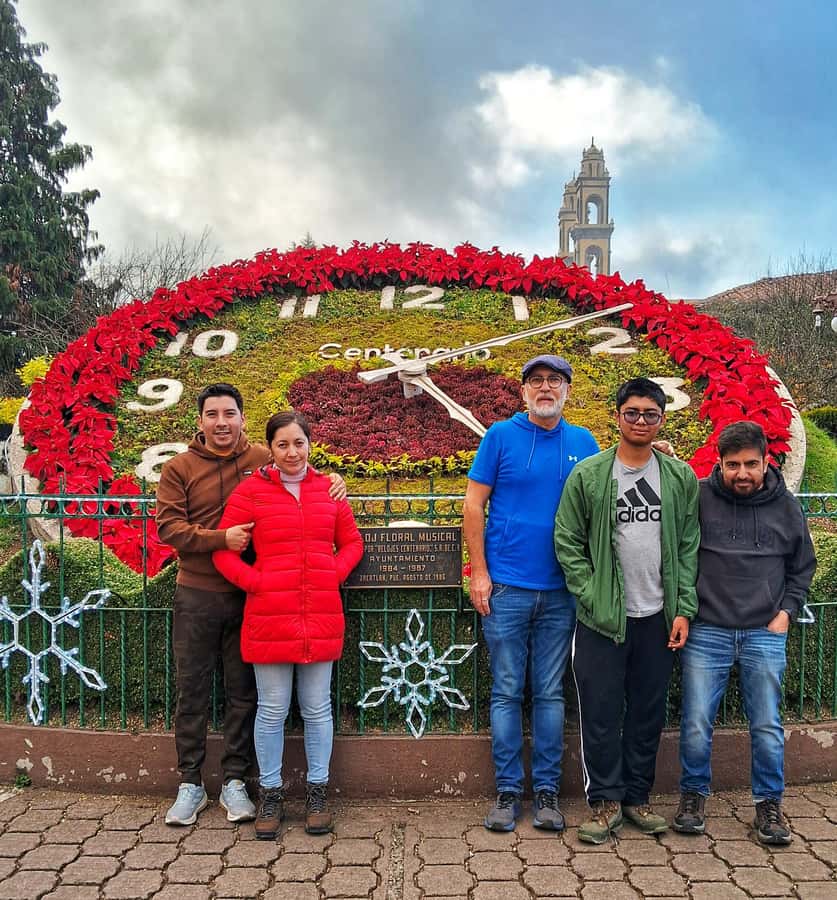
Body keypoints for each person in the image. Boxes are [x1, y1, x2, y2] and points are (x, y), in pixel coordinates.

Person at [156, 384, 345, 827]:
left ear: (242, 417)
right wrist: (222, 540)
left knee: (245, 696)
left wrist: (334, 479)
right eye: (212, 414)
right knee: (193, 690)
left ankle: (236, 781)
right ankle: (190, 783)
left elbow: (300, 467)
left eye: (229, 414)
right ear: (200, 421)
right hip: (200, 591)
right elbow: (169, 528)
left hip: (252, 601)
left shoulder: (263, 458)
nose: (221, 422)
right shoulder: (179, 468)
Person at [555, 377, 699, 844]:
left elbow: (687, 547)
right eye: (632, 412)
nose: (640, 421)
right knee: (599, 712)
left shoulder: (678, 478)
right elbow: (568, 541)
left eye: (650, 414)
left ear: (661, 419)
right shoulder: (591, 476)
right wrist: (591, 596)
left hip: (657, 618)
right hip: (602, 619)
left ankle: (637, 797)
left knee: (646, 713)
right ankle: (604, 802)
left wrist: (682, 609)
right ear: (616, 416)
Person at [463, 354, 599, 832]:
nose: (545, 388)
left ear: (566, 391)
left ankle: (545, 793)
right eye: (536, 381)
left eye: (555, 381)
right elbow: (474, 505)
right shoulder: (500, 436)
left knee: (547, 693)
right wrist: (479, 573)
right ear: (523, 392)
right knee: (505, 691)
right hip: (507, 588)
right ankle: (506, 792)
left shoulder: (584, 442)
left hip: (562, 592)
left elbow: (600, 507)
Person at [213, 410, 363, 839]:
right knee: (273, 709)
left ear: (309, 444)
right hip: (269, 615)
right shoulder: (251, 492)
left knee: (317, 708)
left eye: (299, 443)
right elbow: (224, 550)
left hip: (319, 613)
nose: (292, 452)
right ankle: (272, 793)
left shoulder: (328, 490)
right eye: (283, 444)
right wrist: (256, 582)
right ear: (271, 449)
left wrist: (332, 574)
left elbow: (352, 542)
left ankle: (318, 791)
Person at [674, 421, 816, 845]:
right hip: (708, 630)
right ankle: (692, 797)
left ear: (766, 461)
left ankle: (769, 807)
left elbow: (802, 567)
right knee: (697, 721)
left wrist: (786, 613)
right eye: (732, 464)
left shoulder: (787, 507)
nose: (741, 473)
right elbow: (679, 554)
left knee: (767, 724)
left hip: (764, 632)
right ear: (720, 462)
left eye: (750, 464)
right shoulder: (699, 496)